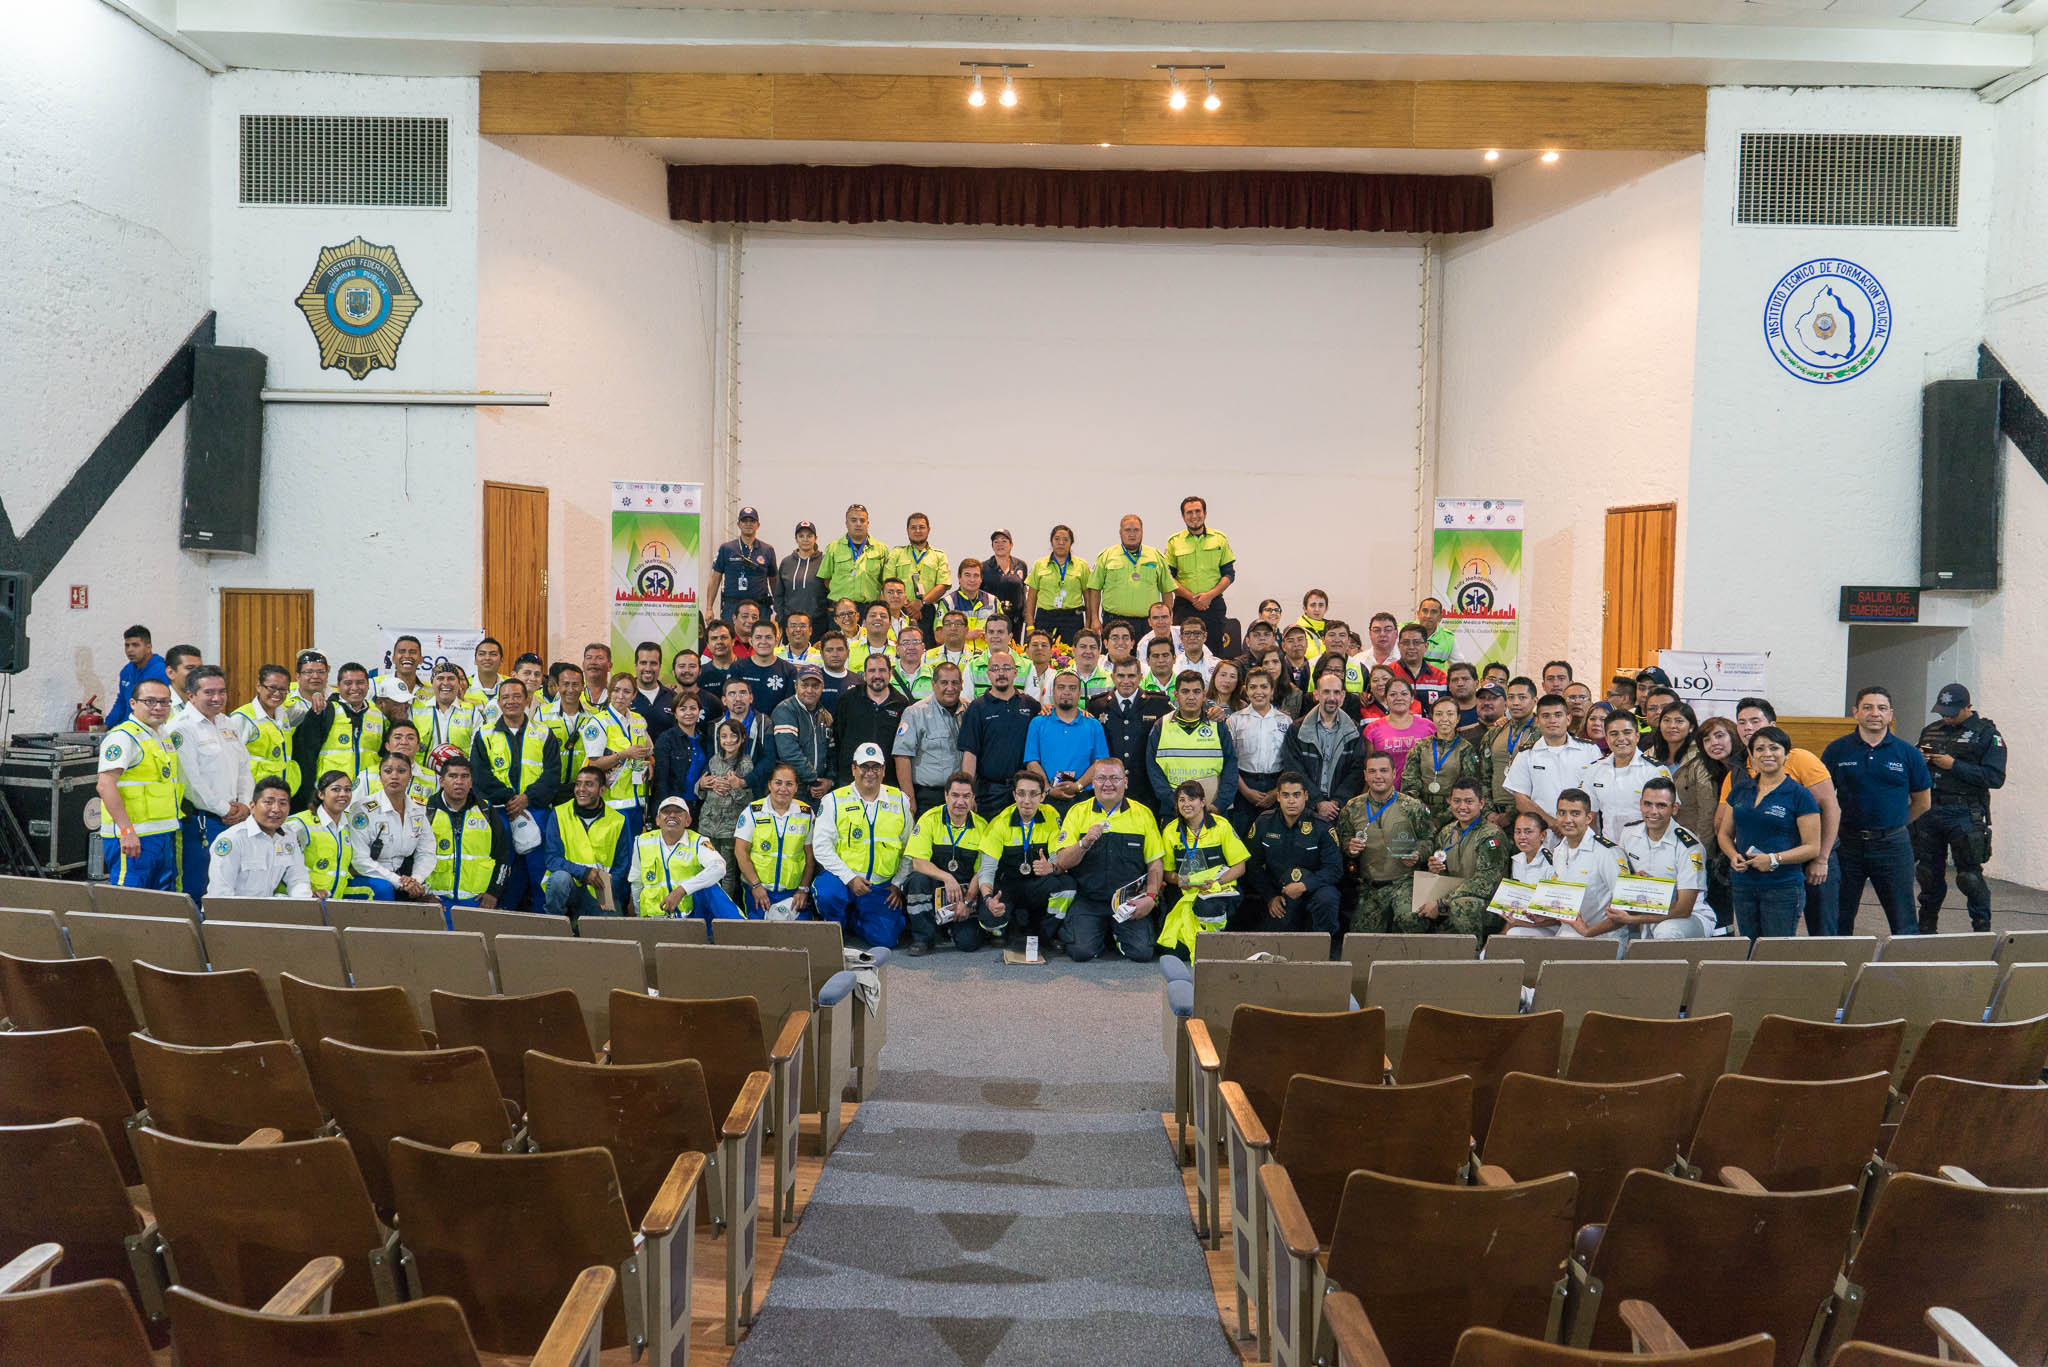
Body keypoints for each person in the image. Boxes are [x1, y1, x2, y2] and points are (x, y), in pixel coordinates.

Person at [1822, 685, 1932, 936]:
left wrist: (1894, 823)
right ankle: (1840, 962)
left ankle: (1904, 964)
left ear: (1890, 714)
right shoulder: (1837, 750)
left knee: (1903, 921)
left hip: (1893, 846)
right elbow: (1822, 798)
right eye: (1868, 707)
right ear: (1855, 712)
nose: (1875, 713)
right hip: (1847, 844)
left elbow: (1923, 802)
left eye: (1882, 708)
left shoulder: (1908, 753)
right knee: (1839, 916)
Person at [1731, 696, 1840, 936]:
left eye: (1755, 721)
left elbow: (1831, 808)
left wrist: (1821, 859)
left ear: (1772, 724)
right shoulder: (1740, 766)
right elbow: (1725, 820)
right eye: (1742, 722)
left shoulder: (1800, 758)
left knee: (1821, 929)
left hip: (1811, 858)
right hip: (1759, 869)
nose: (1748, 727)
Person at [1914, 683, 2006, 933]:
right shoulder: (1931, 731)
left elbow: (1994, 777)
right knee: (1927, 874)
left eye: (1953, 712)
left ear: (1968, 707)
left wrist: (1953, 765)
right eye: (1943, 711)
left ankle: (1981, 930)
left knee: (1969, 877)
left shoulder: (1987, 734)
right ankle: (1926, 929)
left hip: (1965, 812)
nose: (1947, 716)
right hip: (1930, 809)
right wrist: (1918, 759)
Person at [1051, 758, 1163, 963]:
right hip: (1089, 900)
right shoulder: (1077, 812)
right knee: (1081, 952)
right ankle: (1101, 934)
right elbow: (1063, 862)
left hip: (1128, 901)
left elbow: (1155, 863)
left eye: (1114, 778)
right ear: (1093, 782)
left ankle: (1114, 935)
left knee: (1142, 953)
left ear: (1125, 782)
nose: (1108, 784)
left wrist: (1150, 897)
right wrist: (1084, 843)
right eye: (1101, 778)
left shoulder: (1143, 814)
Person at [1718, 726, 1822, 940]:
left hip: (1782, 886)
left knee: (1775, 951)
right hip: (1743, 884)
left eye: (1774, 748)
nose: (1767, 754)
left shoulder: (1800, 795)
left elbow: (1812, 847)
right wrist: (1732, 855)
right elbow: (1724, 834)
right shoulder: (1740, 790)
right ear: (1752, 755)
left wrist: (1774, 859)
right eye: (1760, 749)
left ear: (1786, 755)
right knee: (1748, 947)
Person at [165, 665, 253, 906]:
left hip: (236, 819)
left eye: (222, 691)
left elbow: (244, 768)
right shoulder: (181, 728)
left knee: (231, 884)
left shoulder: (227, 723)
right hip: (200, 822)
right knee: (196, 886)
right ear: (191, 695)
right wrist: (225, 809)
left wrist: (245, 804)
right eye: (209, 692)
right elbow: (190, 782)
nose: (217, 698)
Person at [810, 741, 913, 946]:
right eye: (864, 767)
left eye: (876, 767)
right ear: (853, 769)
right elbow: (821, 847)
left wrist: (897, 883)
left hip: (881, 884)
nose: (870, 773)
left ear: (884, 770)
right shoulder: (833, 800)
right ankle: (835, 923)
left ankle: (852, 921)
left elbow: (909, 847)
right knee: (828, 894)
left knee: (886, 940)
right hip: (843, 879)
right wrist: (849, 878)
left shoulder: (900, 800)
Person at [471, 676, 560, 912]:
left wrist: (527, 798)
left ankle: (543, 919)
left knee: (539, 872)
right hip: (499, 813)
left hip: (537, 811)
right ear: (499, 702)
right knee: (504, 870)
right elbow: (480, 776)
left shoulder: (544, 733)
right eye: (506, 697)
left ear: (527, 699)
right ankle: (503, 917)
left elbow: (552, 774)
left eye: (517, 696)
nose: (511, 701)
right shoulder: (484, 734)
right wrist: (510, 799)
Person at [96, 677, 182, 890]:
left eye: (164, 702)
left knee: (161, 899)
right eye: (150, 701)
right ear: (133, 703)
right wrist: (126, 831)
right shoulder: (123, 737)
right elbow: (105, 785)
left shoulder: (161, 735)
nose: (158, 707)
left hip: (162, 833)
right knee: (128, 899)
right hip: (134, 836)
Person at [1335, 753, 1436, 932]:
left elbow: (1429, 840)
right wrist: (1350, 847)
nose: (1378, 776)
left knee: (1410, 919)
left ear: (1394, 773)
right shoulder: (1352, 807)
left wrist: (1418, 853)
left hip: (1405, 883)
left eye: (1384, 770)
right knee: (1360, 939)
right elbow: (1343, 840)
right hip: (1370, 885)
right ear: (1365, 775)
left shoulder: (1412, 807)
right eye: (1372, 771)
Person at [977, 770, 1073, 950]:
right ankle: (1010, 925)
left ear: (1042, 796)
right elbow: (987, 869)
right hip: (1009, 887)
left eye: (1033, 794)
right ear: (1014, 795)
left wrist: (1051, 867)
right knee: (990, 921)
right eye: (1021, 793)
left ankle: (1046, 933)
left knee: (1067, 886)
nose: (1027, 800)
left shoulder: (1051, 815)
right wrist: (989, 899)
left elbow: (1058, 858)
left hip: (1037, 886)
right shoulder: (1000, 822)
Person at [1156, 779, 1250, 959]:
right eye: (1181, 800)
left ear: (1203, 802)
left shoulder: (1221, 826)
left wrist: (1216, 882)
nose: (1186, 804)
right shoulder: (1170, 831)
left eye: (1192, 799)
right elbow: (1167, 873)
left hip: (1217, 890)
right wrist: (1180, 880)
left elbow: (1240, 866)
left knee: (1208, 908)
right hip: (1186, 891)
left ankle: (1216, 944)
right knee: (1175, 952)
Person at [1516, 789, 1629, 939]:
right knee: (1516, 936)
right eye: (1562, 813)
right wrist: (1543, 915)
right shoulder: (1559, 851)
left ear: (1588, 818)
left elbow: (1627, 908)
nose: (1567, 820)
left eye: (1575, 814)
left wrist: (1590, 931)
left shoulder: (1607, 853)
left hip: (1603, 938)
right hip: (1567, 934)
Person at [1614, 776, 1715, 940]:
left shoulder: (1689, 847)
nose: (1653, 811)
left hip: (1689, 916)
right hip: (1644, 909)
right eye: (1647, 804)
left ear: (1674, 808)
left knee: (1667, 931)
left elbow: (1684, 909)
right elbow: (1622, 882)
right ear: (1640, 804)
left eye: (1661, 805)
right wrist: (1633, 879)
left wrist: (1633, 919)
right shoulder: (1629, 834)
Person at [1245, 771, 1343, 939]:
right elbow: (1253, 865)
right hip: (1280, 892)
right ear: (1278, 797)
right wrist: (1270, 896)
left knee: (1327, 898)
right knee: (1274, 941)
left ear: (1306, 796)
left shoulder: (1322, 827)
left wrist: (1305, 885)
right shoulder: (1264, 823)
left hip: (1315, 890)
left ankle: (1324, 948)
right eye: (1286, 795)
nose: (1291, 801)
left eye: (1296, 795)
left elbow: (1334, 869)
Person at [904, 771, 992, 955]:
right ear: (946, 796)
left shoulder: (983, 827)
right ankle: (923, 938)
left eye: (966, 796)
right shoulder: (929, 819)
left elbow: (983, 871)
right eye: (955, 795)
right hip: (935, 887)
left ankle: (951, 928)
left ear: (973, 798)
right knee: (916, 880)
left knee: (968, 944)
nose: (960, 802)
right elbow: (918, 862)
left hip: (965, 892)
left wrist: (967, 901)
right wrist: (947, 878)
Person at [1416, 777, 1509, 942]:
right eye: (1457, 801)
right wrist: (1434, 869)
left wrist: (1441, 903)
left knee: (1463, 906)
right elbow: (1442, 871)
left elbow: (1484, 884)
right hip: (1452, 898)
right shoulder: (1447, 832)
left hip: (1487, 905)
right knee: (1412, 909)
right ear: (1450, 802)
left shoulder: (1491, 835)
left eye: (1469, 801)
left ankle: (1473, 955)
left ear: (1481, 803)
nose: (1462, 807)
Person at [1503, 693, 1600, 840]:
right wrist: (1553, 823)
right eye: (1546, 716)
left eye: (1558, 715)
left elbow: (1598, 792)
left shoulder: (1590, 750)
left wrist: (1580, 824)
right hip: (1545, 834)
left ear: (1568, 719)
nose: (1552, 720)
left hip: (1584, 833)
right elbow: (1521, 800)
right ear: (1537, 721)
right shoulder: (1527, 755)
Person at [544, 766, 636, 920]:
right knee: (559, 879)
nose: (581, 789)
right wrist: (585, 873)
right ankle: (554, 925)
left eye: (589, 784)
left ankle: (581, 922)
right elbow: (552, 859)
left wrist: (607, 892)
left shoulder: (618, 820)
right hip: (570, 887)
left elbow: (622, 866)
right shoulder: (559, 814)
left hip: (601, 890)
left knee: (612, 930)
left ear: (602, 790)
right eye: (578, 784)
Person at [629, 793, 740, 919]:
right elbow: (636, 883)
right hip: (654, 918)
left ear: (688, 821)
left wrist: (682, 890)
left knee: (712, 888)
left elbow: (719, 867)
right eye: (666, 812)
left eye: (678, 812)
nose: (672, 815)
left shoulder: (698, 841)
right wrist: (639, 917)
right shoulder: (642, 842)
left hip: (691, 917)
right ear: (657, 820)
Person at [348, 751, 438, 903]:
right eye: (388, 771)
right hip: (366, 875)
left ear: (410, 776)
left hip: (402, 877)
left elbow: (427, 852)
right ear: (380, 776)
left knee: (430, 900)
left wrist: (415, 880)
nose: (394, 776)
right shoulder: (363, 810)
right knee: (384, 889)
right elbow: (360, 860)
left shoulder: (417, 810)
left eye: (401, 771)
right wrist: (399, 882)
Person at [959, 650, 1040, 818]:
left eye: (1006, 668)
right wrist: (968, 792)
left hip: (1024, 792)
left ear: (1015, 673)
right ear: (988, 674)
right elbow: (970, 753)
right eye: (995, 668)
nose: (1001, 673)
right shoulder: (977, 708)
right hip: (989, 792)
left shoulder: (1031, 705)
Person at [422, 756, 510, 910]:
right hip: (435, 900)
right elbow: (411, 856)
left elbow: (503, 856)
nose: (459, 781)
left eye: (464, 776)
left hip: (477, 901)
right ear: (442, 781)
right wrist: (421, 893)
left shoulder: (486, 810)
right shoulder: (426, 810)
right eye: (452, 776)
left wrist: (494, 893)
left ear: (471, 782)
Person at [203, 776, 313, 899]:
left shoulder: (288, 836)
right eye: (268, 802)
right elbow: (221, 894)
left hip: (264, 908)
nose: (276, 809)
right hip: (231, 909)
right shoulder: (232, 839)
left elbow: (298, 879)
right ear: (252, 806)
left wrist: (304, 905)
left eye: (282, 803)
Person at [1147, 671, 1238, 815]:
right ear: (1176, 695)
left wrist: (1220, 803)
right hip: (1173, 810)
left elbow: (1230, 765)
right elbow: (1153, 770)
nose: (1191, 697)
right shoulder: (1161, 725)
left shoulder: (1217, 724)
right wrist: (1174, 803)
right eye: (1185, 691)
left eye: (1196, 691)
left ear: (1204, 695)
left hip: (1212, 808)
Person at [733, 764, 817, 919]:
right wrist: (756, 885)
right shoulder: (753, 812)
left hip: (793, 894)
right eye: (778, 783)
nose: (783, 789)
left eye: (789, 784)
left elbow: (810, 857)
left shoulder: (806, 814)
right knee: (758, 933)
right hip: (758, 891)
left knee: (801, 933)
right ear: (770, 785)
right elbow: (740, 852)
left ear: (796, 788)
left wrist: (803, 889)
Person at [1090, 657, 1172, 814]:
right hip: (1108, 788)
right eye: (1121, 676)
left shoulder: (1158, 704)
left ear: (1140, 677)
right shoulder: (1097, 705)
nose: (1126, 681)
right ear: (1112, 677)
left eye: (1131, 676)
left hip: (1146, 788)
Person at [580, 673, 653, 846]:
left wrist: (649, 761)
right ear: (609, 692)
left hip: (637, 801)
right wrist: (624, 754)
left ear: (634, 695)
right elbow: (594, 765)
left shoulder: (639, 720)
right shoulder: (598, 723)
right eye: (616, 690)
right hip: (612, 803)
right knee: (614, 853)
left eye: (627, 692)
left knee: (634, 852)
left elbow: (647, 750)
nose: (621, 696)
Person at [293, 662, 384, 800]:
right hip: (331, 794)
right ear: (338, 686)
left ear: (368, 685)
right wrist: (308, 795)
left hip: (367, 794)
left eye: (360, 683)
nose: (355, 688)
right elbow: (305, 755)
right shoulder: (324, 711)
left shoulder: (378, 715)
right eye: (348, 683)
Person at [1022, 669, 1109, 812]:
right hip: (1046, 798)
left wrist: (1078, 786)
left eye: (1072, 688)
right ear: (1053, 692)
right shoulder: (1037, 723)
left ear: (1080, 693)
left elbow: (1099, 762)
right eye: (1061, 687)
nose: (1066, 692)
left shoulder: (1093, 725)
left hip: (1084, 797)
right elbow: (1032, 762)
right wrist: (1048, 789)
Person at [1283, 673, 1364, 823]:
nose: (1332, 697)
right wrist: (1317, 802)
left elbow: (1357, 772)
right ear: (1316, 694)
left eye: (1336, 692)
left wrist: (1337, 802)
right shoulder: (1297, 729)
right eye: (1326, 692)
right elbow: (1294, 768)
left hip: (1341, 810)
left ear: (1343, 696)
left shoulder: (1355, 731)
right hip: (1306, 808)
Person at [894, 661, 968, 817]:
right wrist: (909, 798)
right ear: (933, 684)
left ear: (962, 684)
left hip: (962, 797)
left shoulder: (970, 710)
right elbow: (902, 756)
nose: (950, 688)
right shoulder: (915, 713)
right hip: (928, 797)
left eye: (955, 682)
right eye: (944, 682)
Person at [1582, 707, 1668, 840]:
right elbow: (1590, 816)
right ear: (1606, 738)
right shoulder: (1594, 770)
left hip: (1646, 846)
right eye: (1614, 734)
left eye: (1627, 732)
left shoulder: (1654, 770)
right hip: (1609, 847)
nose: (1621, 738)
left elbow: (1666, 815)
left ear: (1637, 736)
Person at [1402, 695, 1487, 828]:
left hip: (1455, 814)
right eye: (1439, 714)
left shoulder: (1465, 749)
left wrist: (1443, 818)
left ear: (1458, 718)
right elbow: (1409, 783)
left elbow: (1469, 787)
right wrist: (1422, 813)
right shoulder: (1420, 747)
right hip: (1421, 815)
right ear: (1432, 717)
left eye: (1450, 714)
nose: (1444, 719)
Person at [1092, 514, 1176, 643]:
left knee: (1149, 655)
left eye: (1136, 530)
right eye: (1127, 530)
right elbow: (1095, 588)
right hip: (1114, 622)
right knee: (1115, 655)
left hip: (1147, 624)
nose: (1132, 534)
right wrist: (1095, 618)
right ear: (1120, 532)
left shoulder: (1155, 556)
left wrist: (1168, 619)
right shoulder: (1107, 555)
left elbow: (1167, 590)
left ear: (1142, 532)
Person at [1227, 670, 1291, 836]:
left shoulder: (1285, 721)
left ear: (1272, 690)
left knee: (1273, 836)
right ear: (1246, 690)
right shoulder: (1235, 720)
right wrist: (1245, 791)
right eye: (1253, 687)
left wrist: (1276, 792)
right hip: (1243, 784)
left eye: (1264, 686)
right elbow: (1228, 760)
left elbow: (1291, 761)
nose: (1259, 692)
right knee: (1243, 836)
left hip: (1276, 785)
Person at [1164, 494, 1234, 643]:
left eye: (1198, 511)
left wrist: (1209, 596)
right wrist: (1192, 598)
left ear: (1205, 513)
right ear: (1183, 516)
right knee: (1183, 649)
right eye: (1189, 512)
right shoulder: (1174, 542)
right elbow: (1169, 578)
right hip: (1184, 606)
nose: (1194, 516)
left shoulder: (1219, 539)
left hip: (1213, 605)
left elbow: (1229, 574)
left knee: (1214, 651)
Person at [832, 652, 910, 784]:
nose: (877, 675)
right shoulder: (848, 700)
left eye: (882, 670)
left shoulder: (901, 704)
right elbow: (838, 737)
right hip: (850, 779)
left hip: (887, 780)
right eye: (872, 671)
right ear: (865, 674)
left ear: (890, 673)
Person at [229, 665, 298, 799]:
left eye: (283, 689)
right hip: (251, 796)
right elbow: (229, 761)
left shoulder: (283, 715)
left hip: (280, 795)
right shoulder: (243, 718)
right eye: (272, 688)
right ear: (259, 686)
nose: (277, 694)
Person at [290, 769, 357, 901]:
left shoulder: (351, 823)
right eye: (336, 789)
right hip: (302, 898)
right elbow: (285, 865)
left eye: (348, 789)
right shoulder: (299, 823)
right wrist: (305, 891)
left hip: (335, 899)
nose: (343, 794)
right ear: (321, 794)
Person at [1020, 523, 1089, 649]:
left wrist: (1088, 624)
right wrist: (1030, 625)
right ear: (1051, 541)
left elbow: (1088, 597)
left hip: (1072, 619)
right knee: (1042, 653)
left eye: (1065, 539)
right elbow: (1031, 598)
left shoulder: (1082, 565)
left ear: (1071, 543)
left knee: (1071, 654)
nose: (1061, 543)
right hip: (1045, 618)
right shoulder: (1040, 565)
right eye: (1057, 539)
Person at [773, 664, 836, 801]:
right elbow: (788, 752)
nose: (809, 690)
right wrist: (815, 780)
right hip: (791, 789)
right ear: (796, 686)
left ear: (822, 687)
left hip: (819, 790)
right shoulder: (785, 710)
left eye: (815, 686)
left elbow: (832, 753)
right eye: (804, 685)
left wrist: (829, 780)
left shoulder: (826, 715)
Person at [708, 505, 778, 626]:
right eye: (744, 521)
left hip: (760, 608)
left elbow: (774, 581)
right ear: (738, 524)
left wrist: (778, 608)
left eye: (752, 521)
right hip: (732, 607)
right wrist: (709, 608)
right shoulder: (726, 549)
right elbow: (715, 579)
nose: (748, 524)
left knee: (760, 637)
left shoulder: (767, 550)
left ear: (758, 525)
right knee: (731, 637)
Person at [817, 503, 888, 617]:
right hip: (840, 609)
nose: (858, 524)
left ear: (867, 523)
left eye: (862, 520)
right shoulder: (833, 547)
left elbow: (885, 581)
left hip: (869, 609)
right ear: (846, 523)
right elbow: (826, 579)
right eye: (853, 520)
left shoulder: (881, 548)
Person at [410, 663, 481, 778]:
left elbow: (478, 751)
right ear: (432, 683)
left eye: (451, 678)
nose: (446, 683)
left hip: (459, 779)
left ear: (458, 683)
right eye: (440, 678)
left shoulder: (472, 712)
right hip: (423, 779)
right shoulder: (416, 711)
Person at [650, 693, 709, 816]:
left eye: (693, 708)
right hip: (675, 806)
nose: (688, 713)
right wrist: (664, 809)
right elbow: (661, 780)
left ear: (699, 712)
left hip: (701, 805)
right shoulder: (666, 739)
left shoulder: (705, 740)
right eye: (683, 709)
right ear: (675, 714)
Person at [1364, 677, 1433, 775]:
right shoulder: (1372, 729)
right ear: (1386, 699)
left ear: (1412, 698)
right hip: (1386, 785)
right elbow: (1369, 768)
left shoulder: (1429, 727)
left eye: (1404, 694)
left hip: (1422, 784)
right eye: (1393, 694)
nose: (1399, 698)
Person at [106, 624, 170, 730]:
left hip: (150, 729)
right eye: (127, 645)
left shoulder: (162, 671)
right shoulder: (126, 670)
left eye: (135, 645)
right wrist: (106, 726)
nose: (130, 650)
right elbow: (122, 702)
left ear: (148, 648)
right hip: (127, 728)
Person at [940, 559, 1003, 652]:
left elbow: (1004, 631)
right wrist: (964, 635)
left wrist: (992, 635)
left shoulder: (993, 601)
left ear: (981, 579)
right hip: (958, 656)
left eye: (976, 575)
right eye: (967, 575)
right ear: (959, 577)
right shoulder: (948, 602)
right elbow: (939, 637)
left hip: (987, 656)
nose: (972, 580)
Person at [778, 519, 826, 632]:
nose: (805, 539)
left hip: (817, 622)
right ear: (796, 539)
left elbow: (830, 590)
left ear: (816, 538)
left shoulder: (824, 561)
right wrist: (781, 618)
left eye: (809, 536)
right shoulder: (786, 562)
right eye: (801, 536)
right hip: (791, 623)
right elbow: (779, 595)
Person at [624, 641, 677, 743]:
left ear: (660, 666)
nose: (648, 668)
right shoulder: (622, 697)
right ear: (636, 665)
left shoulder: (673, 697)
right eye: (643, 663)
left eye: (653, 663)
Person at [1387, 623, 1449, 710]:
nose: (1411, 647)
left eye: (1416, 642)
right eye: (1406, 642)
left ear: (1426, 646)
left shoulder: (1440, 677)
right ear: (1399, 646)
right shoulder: (1388, 673)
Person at [981, 529, 1029, 634]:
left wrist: (1027, 617)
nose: (1000, 544)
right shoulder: (983, 567)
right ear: (992, 546)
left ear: (1011, 545)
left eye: (1004, 541)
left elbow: (1025, 592)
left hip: (1016, 620)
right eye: (996, 542)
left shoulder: (1021, 565)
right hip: (992, 620)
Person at [1171, 615, 1219, 686]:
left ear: (1205, 636)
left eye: (1197, 633)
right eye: (1187, 633)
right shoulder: (1172, 666)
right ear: (1181, 638)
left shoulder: (1217, 666)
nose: (1192, 637)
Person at [1017, 629, 1060, 701]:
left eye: (1044, 645)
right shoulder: (1017, 675)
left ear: (1051, 652)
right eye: (1035, 645)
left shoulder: (1057, 677)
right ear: (1027, 651)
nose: (1039, 648)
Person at [1069, 630, 1113, 701]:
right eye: (1083, 647)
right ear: (1073, 650)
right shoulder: (1058, 678)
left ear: (1099, 651)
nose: (1088, 651)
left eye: (1093, 647)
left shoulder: (1112, 679)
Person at [1417, 597, 1457, 669]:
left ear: (1440, 617)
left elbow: (1459, 666)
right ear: (1418, 614)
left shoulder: (1448, 638)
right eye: (1425, 611)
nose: (1428, 616)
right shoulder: (1403, 631)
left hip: (1436, 676)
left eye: (1434, 612)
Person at [1295, 590, 1330, 660]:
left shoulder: (1332, 628)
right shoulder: (1297, 631)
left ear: (1326, 609)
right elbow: (1310, 655)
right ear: (1305, 608)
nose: (1317, 609)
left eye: (1321, 605)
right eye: (1313, 605)